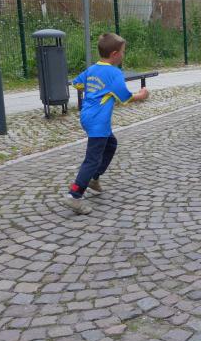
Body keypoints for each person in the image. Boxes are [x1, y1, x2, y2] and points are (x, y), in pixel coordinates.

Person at [62, 33, 150, 215]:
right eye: (123, 52)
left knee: (111, 144)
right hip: (98, 121)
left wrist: (95, 89)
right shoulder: (114, 73)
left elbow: (77, 84)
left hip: (87, 116)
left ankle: (94, 179)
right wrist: (142, 95)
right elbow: (125, 97)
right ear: (114, 54)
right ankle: (75, 195)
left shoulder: (92, 69)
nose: (124, 55)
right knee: (92, 159)